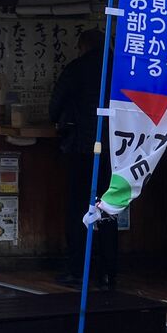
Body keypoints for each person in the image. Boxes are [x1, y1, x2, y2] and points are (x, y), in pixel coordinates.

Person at [48, 29, 118, 289]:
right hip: (116, 150)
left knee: (79, 208)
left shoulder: (76, 69)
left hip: (81, 149)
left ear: (83, 47)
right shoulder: (120, 69)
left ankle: (78, 270)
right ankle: (109, 271)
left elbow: (54, 107)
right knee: (109, 209)